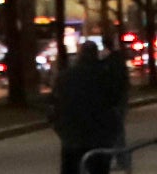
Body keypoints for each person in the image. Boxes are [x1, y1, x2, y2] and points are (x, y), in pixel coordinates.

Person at [51, 36, 132, 174]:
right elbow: (115, 99)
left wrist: (60, 127)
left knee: (72, 167)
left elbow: (54, 103)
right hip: (99, 136)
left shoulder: (65, 77)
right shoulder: (104, 76)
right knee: (99, 168)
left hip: (72, 136)